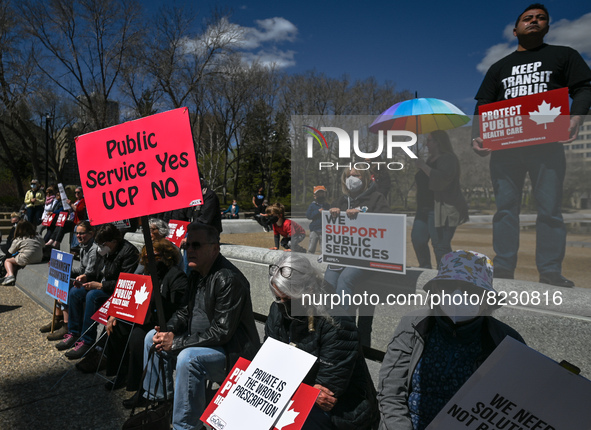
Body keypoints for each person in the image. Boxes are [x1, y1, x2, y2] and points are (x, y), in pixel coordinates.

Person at [471, 4, 591, 287]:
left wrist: (576, 119)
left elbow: (585, 87)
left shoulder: (564, 56)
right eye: (528, 19)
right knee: (505, 209)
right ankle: (502, 268)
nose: (534, 21)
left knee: (549, 209)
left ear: (548, 27)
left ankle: (550, 270)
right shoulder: (498, 67)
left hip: (546, 146)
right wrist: (477, 136)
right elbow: (484, 103)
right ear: (515, 31)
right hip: (505, 148)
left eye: (540, 18)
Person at [129, 223, 259, 429]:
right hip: (200, 341)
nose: (189, 250)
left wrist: (178, 342)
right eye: (187, 245)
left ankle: (186, 426)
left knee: (188, 359)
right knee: (150, 340)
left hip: (232, 353)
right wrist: (167, 330)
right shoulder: (197, 273)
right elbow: (184, 311)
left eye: (196, 245)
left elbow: (222, 332)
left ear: (215, 248)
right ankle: (163, 403)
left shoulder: (228, 278)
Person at [378, 250, 525, 430]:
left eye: (470, 289)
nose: (458, 295)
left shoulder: (506, 341)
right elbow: (390, 391)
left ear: (486, 299)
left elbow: (515, 404)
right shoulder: (413, 325)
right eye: (449, 286)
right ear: (436, 292)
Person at [265, 254, 379, 430]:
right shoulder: (278, 310)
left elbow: (326, 391)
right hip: (296, 392)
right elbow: (269, 360)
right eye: (278, 297)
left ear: (308, 291)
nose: (281, 304)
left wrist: (286, 382)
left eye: (287, 299)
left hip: (344, 409)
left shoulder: (337, 323)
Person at [105, 239, 187, 391]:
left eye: (155, 256)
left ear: (166, 256)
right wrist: (115, 314)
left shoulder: (176, 276)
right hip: (144, 316)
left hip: (164, 322)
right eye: (147, 257)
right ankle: (121, 373)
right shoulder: (147, 274)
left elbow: (179, 309)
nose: (150, 260)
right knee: (117, 326)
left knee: (137, 335)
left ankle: (139, 385)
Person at [323, 167, 391, 347]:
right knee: (329, 278)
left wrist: (364, 216)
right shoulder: (340, 200)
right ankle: (328, 322)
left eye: (356, 175)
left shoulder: (377, 198)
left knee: (346, 279)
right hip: (344, 256)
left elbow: (388, 223)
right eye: (349, 176)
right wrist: (333, 211)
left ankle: (341, 329)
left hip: (369, 256)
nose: (352, 178)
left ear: (366, 178)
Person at [56, 223, 139, 359]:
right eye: (98, 243)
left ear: (113, 241)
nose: (99, 247)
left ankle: (87, 341)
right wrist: (86, 277)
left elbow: (126, 283)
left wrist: (101, 286)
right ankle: (74, 333)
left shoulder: (128, 252)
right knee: (75, 292)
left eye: (102, 243)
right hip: (102, 284)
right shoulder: (104, 250)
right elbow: (98, 272)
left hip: (116, 291)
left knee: (92, 296)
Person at [412, 131, 468, 269]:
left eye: (429, 140)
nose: (426, 144)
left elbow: (442, 180)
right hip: (423, 209)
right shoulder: (429, 160)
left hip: (440, 209)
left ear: (438, 142)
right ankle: (425, 270)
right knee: (418, 240)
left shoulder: (448, 158)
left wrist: (423, 167)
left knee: (440, 246)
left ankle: (447, 278)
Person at [41, 221, 102, 341]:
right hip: (85, 277)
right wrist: (61, 267)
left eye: (82, 233)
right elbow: (80, 269)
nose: (78, 236)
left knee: (68, 286)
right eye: (76, 233)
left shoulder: (93, 249)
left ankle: (66, 324)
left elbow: (89, 273)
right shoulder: (84, 246)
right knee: (59, 277)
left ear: (91, 233)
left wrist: (69, 273)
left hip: (92, 281)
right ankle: (58, 318)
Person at [0, 220, 44, 286]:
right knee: (15, 263)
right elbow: (44, 245)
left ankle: (10, 276)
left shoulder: (19, 239)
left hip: (27, 258)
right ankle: (6, 276)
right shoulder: (38, 236)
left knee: (8, 261)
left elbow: (10, 253)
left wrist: (3, 260)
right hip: (39, 258)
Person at [306, 186, 330, 254]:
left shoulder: (327, 205)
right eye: (318, 194)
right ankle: (310, 259)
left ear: (325, 194)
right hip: (314, 230)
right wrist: (318, 211)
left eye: (322, 193)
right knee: (311, 248)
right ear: (314, 196)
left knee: (323, 249)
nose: (320, 195)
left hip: (325, 230)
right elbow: (308, 215)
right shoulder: (312, 205)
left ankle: (323, 261)